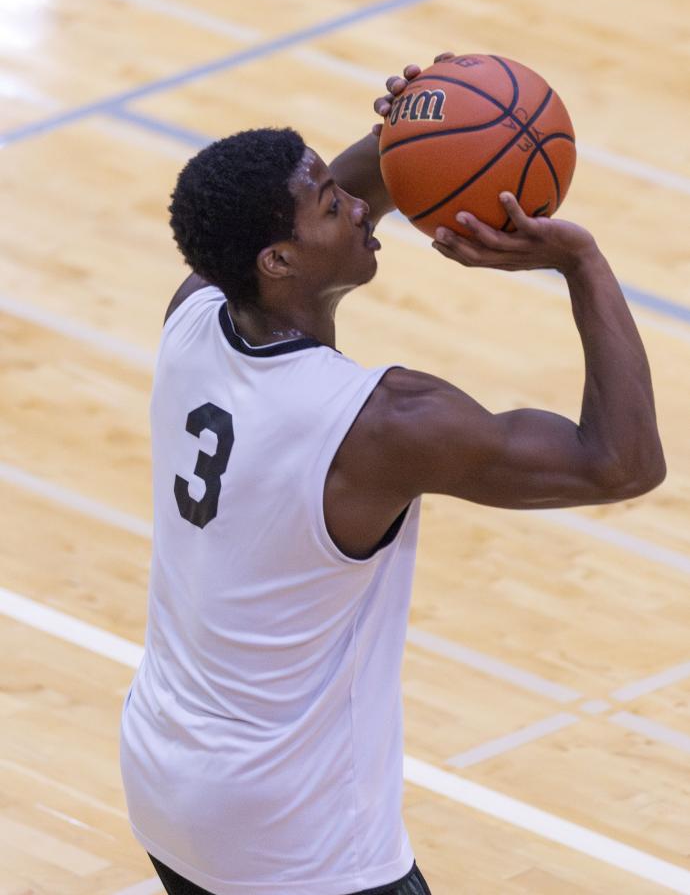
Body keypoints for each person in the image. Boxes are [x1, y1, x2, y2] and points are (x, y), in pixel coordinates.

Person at [119, 57, 665, 895]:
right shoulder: (381, 424)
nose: (363, 204)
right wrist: (581, 264)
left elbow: (315, 194)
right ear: (278, 261)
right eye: (335, 208)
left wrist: (408, 129)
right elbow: (622, 464)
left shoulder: (194, 312)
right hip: (293, 831)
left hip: (166, 777)